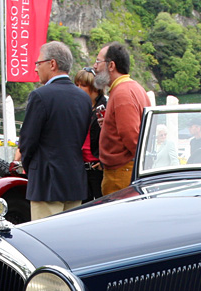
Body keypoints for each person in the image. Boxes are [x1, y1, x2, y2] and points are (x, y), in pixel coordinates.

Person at [17, 41, 92, 220]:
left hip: (45, 182)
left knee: (45, 240)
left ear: (52, 64)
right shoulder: (84, 98)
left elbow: (27, 142)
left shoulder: (40, 96)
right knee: (69, 239)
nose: (36, 69)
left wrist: (31, 168)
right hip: (74, 180)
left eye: (38, 63)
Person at [92, 42, 148, 195]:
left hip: (121, 174)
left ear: (111, 66)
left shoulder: (122, 93)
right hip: (126, 170)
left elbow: (132, 137)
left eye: (98, 61)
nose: (95, 66)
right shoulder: (134, 87)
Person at [74, 67, 107, 201]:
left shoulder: (104, 107)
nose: (79, 88)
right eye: (77, 85)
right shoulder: (79, 106)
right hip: (81, 164)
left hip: (97, 165)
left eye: (83, 85)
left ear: (94, 88)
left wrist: (103, 160)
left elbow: (111, 135)